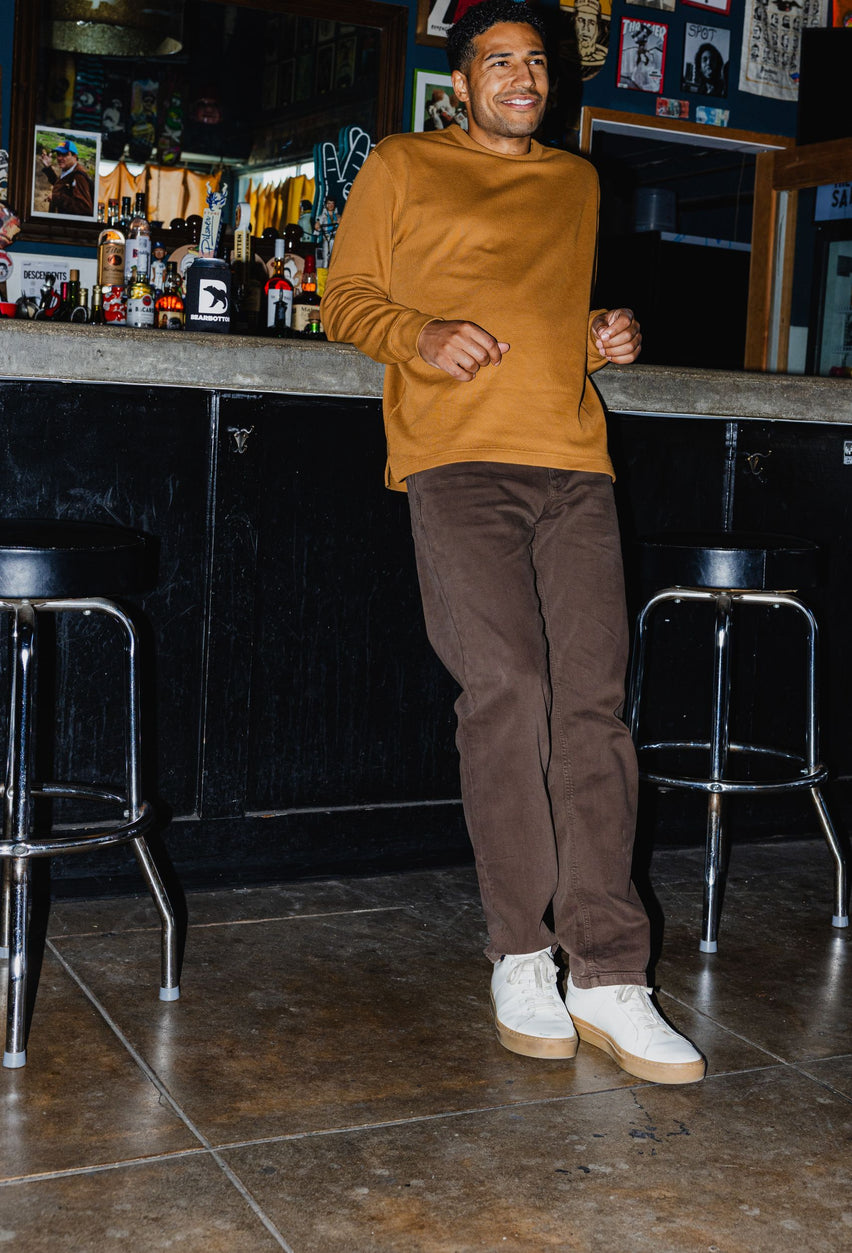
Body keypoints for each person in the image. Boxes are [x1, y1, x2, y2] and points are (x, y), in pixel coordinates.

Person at [322, 0, 704, 1086]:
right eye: (501, 61)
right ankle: (523, 953)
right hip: (456, 461)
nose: (524, 76)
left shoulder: (576, 183)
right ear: (462, 81)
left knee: (592, 702)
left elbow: (545, 312)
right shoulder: (402, 164)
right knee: (510, 688)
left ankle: (610, 974)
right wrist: (420, 333)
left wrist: (597, 337)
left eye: (537, 61)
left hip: (576, 463)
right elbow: (342, 296)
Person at [39, 139, 94, 217]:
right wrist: (48, 168)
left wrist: (57, 198)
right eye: (58, 154)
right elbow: (61, 185)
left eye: (64, 154)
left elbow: (84, 208)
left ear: (74, 156)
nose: (59, 158)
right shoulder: (68, 171)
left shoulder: (79, 176)